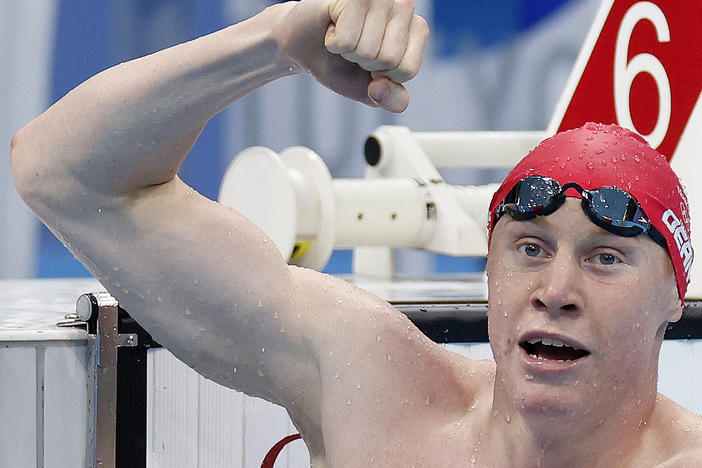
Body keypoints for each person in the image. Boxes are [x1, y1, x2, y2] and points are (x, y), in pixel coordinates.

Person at [9, 0, 702, 466]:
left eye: (605, 258)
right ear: (489, 269)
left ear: (677, 294)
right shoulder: (378, 396)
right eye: (529, 247)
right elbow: (64, 171)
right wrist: (274, 39)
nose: (556, 290)